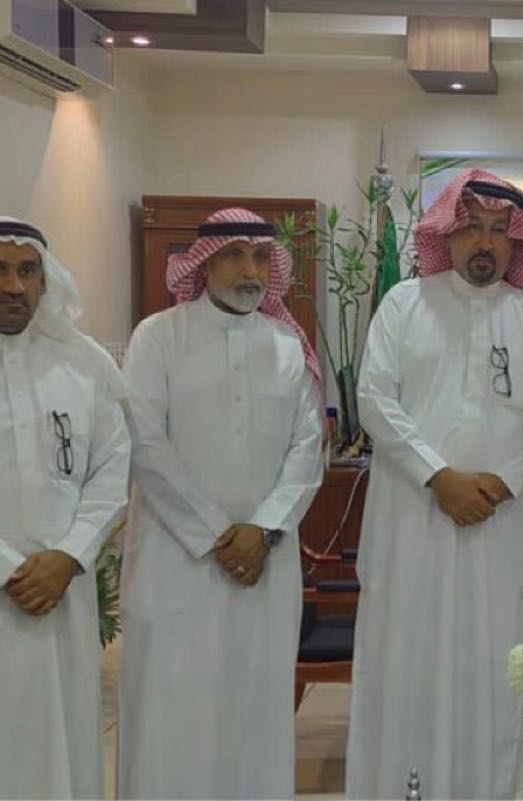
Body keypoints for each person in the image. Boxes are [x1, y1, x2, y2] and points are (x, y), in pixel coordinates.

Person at [346, 170, 523, 800]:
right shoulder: (405, 304)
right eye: (472, 227)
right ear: (446, 232)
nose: (486, 242)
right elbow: (374, 398)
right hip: (412, 529)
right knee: (404, 670)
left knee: (490, 675)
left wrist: (503, 482)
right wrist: (438, 477)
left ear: (516, 241)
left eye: (499, 230)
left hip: (498, 533)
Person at [119, 207, 324, 799]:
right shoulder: (159, 336)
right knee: (171, 706)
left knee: (255, 706)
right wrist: (216, 533)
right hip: (174, 563)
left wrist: (264, 530)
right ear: (203, 264)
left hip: (265, 565)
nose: (250, 270)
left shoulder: (288, 345)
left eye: (260, 257)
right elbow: (145, 443)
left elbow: (308, 448)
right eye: (234, 255)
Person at [0, 217, 130, 799]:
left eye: (27, 270)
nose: (13, 285)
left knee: (66, 744)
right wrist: (12, 569)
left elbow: (112, 467)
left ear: (45, 280)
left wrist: (70, 555)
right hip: (15, 590)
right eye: (0, 270)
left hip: (64, 593)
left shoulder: (81, 364)